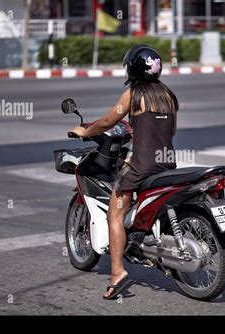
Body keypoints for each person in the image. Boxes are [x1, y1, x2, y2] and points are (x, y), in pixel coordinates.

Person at [69, 44, 179, 300]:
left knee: (114, 213)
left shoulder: (134, 93)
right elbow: (170, 131)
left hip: (141, 166)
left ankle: (117, 272)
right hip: (167, 164)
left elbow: (109, 121)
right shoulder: (169, 96)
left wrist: (85, 131)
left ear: (132, 68)